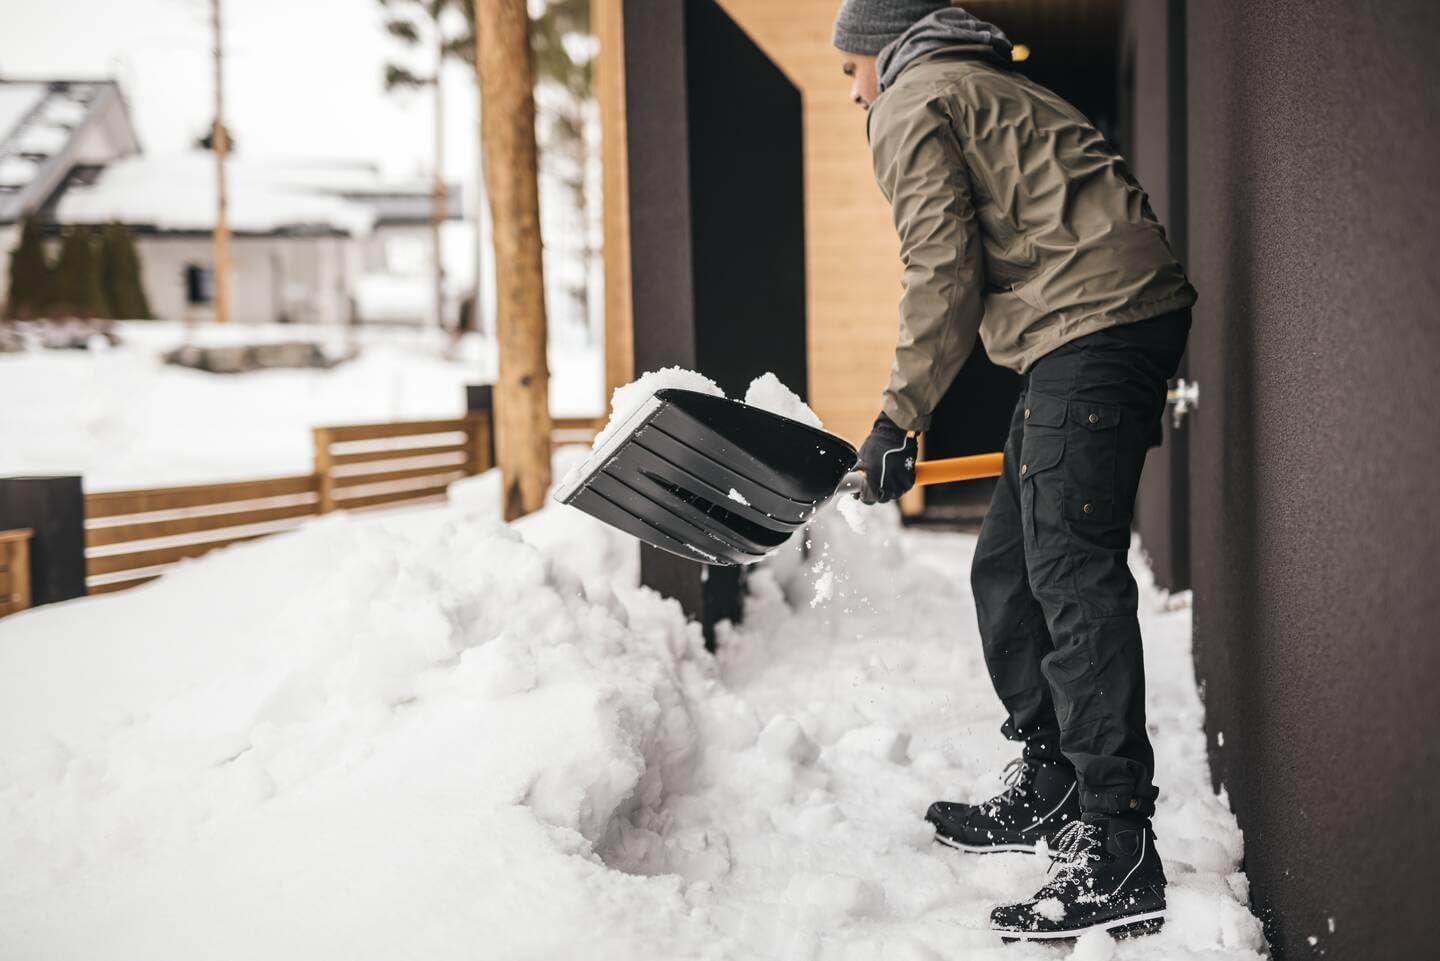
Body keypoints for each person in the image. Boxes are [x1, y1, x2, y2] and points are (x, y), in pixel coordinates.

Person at [833, 0, 1197, 942]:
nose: (853, 92)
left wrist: (895, 417)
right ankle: (1053, 777)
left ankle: (1116, 846)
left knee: (1071, 578)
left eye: (851, 69)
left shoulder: (914, 99)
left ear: (883, 52)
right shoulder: (988, 82)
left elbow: (941, 267)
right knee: (1008, 565)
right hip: (1090, 327)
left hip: (1091, 327)